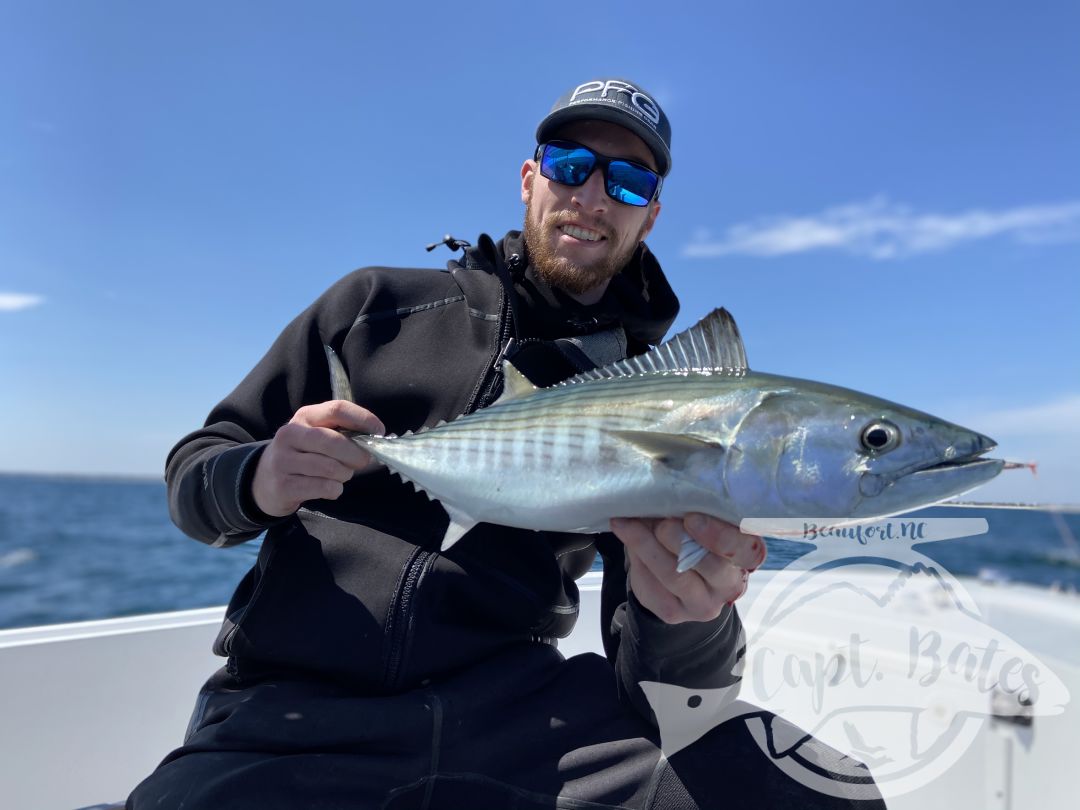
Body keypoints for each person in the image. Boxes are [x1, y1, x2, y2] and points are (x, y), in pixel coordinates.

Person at [128, 78, 885, 809]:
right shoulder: (374, 308)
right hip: (294, 711)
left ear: (649, 215)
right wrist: (258, 474)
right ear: (530, 179)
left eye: (626, 182)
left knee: (825, 796)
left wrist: (688, 616)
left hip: (523, 717)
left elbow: (664, 693)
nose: (591, 196)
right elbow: (194, 476)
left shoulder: (655, 393)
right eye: (569, 166)